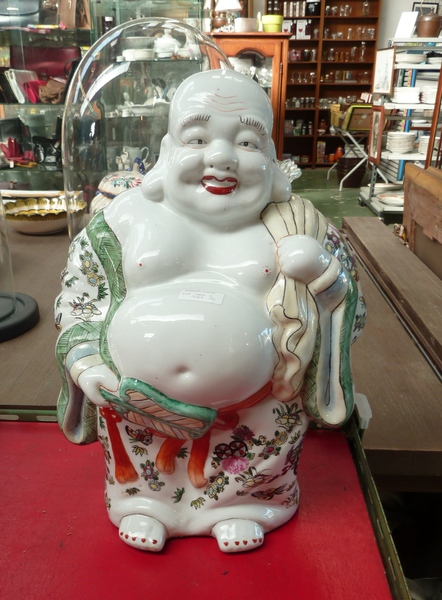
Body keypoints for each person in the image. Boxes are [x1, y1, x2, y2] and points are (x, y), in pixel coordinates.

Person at [55, 69, 365, 553]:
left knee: (253, 464)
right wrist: (86, 362)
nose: (221, 158)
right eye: (197, 138)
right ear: (167, 150)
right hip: (139, 408)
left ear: (271, 158)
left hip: (258, 410)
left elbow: (354, 317)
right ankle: (146, 504)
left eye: (246, 142)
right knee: (144, 473)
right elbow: (79, 298)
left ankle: (242, 506)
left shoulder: (303, 226)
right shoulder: (123, 218)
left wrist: (325, 276)